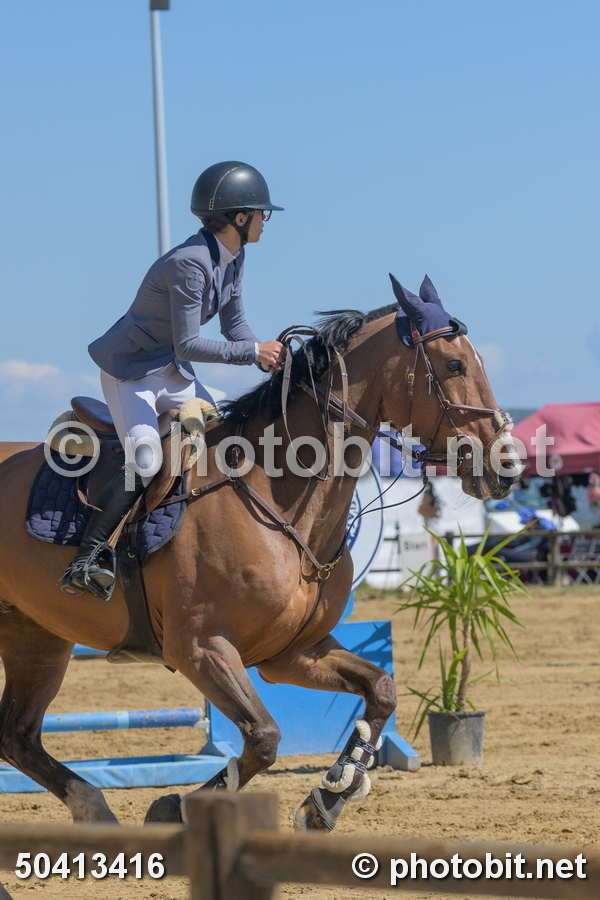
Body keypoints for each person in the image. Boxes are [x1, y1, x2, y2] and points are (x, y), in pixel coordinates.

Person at [60, 161, 285, 599]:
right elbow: (189, 344)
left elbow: (234, 325)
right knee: (146, 460)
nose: (265, 221)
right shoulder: (189, 263)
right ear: (240, 217)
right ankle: (87, 557)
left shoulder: (234, 257)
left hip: (171, 371)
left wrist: (265, 357)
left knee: (223, 433)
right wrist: (253, 352)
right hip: (132, 374)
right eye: (262, 213)